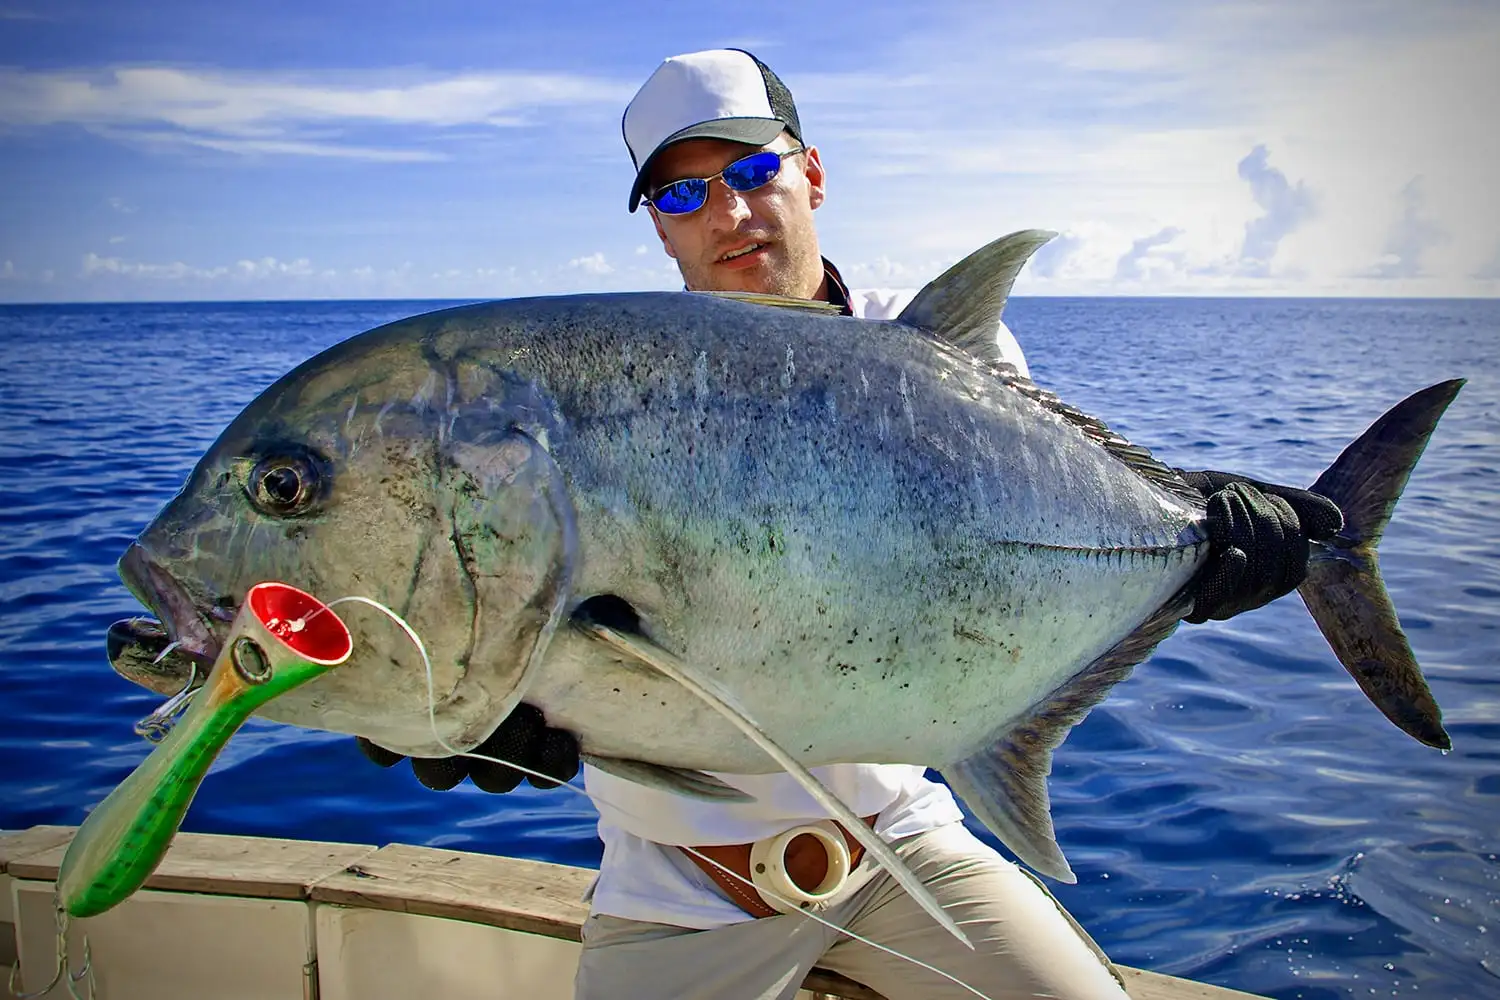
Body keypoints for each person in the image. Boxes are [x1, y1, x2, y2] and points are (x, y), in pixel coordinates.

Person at [359, 49, 1344, 1000]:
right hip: (676, 889)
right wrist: (450, 693)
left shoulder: (934, 349)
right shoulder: (614, 386)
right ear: (658, 230)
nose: (729, 213)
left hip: (904, 846)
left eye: (750, 169)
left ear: (811, 172)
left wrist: (1200, 534)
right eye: (681, 194)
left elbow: (1043, 534)